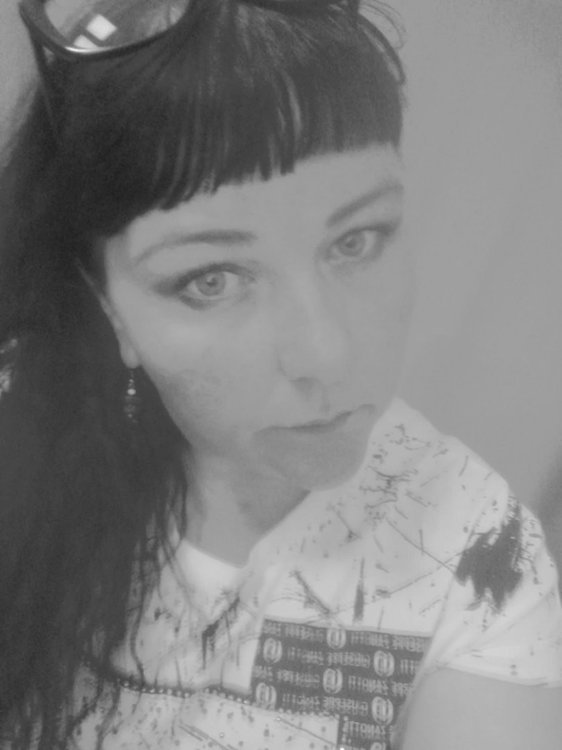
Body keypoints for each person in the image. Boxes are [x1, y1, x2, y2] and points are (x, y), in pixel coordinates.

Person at [0, 0, 561, 748]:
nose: (328, 355)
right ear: (109, 308)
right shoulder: (22, 448)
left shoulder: (473, 553)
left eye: (357, 240)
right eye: (210, 279)